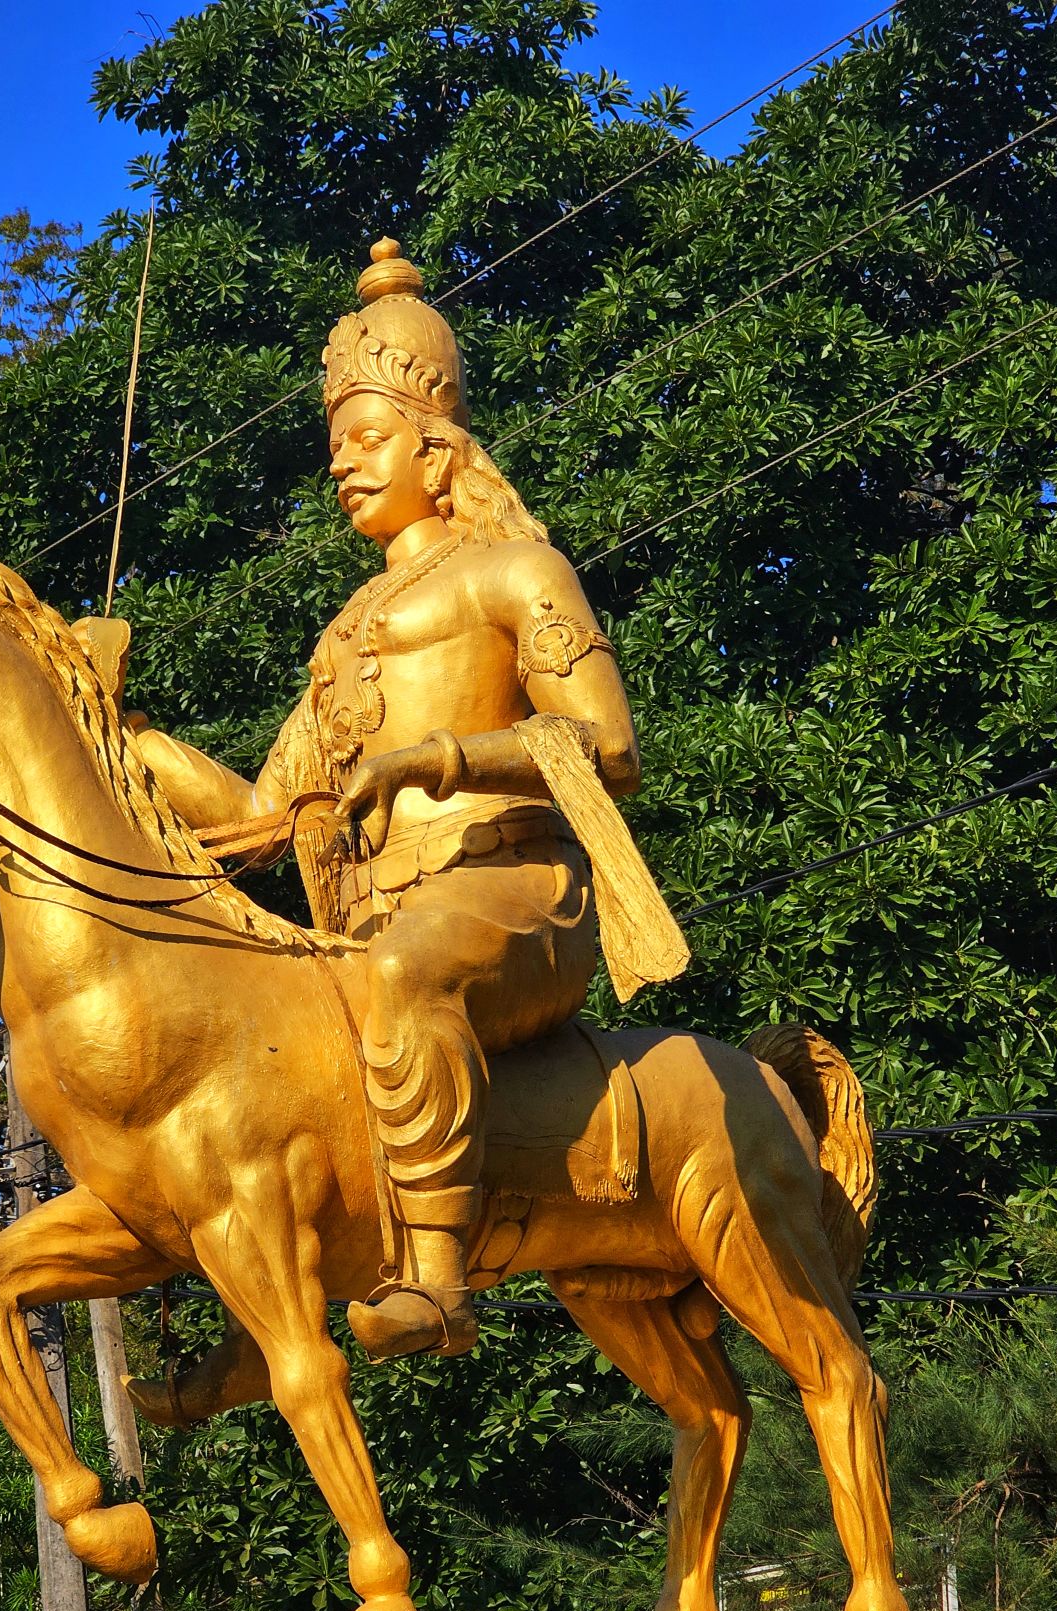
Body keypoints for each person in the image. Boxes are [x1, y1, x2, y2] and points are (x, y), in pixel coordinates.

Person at [131, 239, 681, 1361]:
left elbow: (609, 742)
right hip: (379, 918)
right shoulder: (343, 635)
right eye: (336, 449)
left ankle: (437, 1281)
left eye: (368, 441)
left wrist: (433, 758)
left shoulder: (518, 572)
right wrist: (115, 739)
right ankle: (275, 1313)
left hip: (515, 892)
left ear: (438, 451)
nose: (345, 467)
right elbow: (257, 814)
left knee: (396, 972)